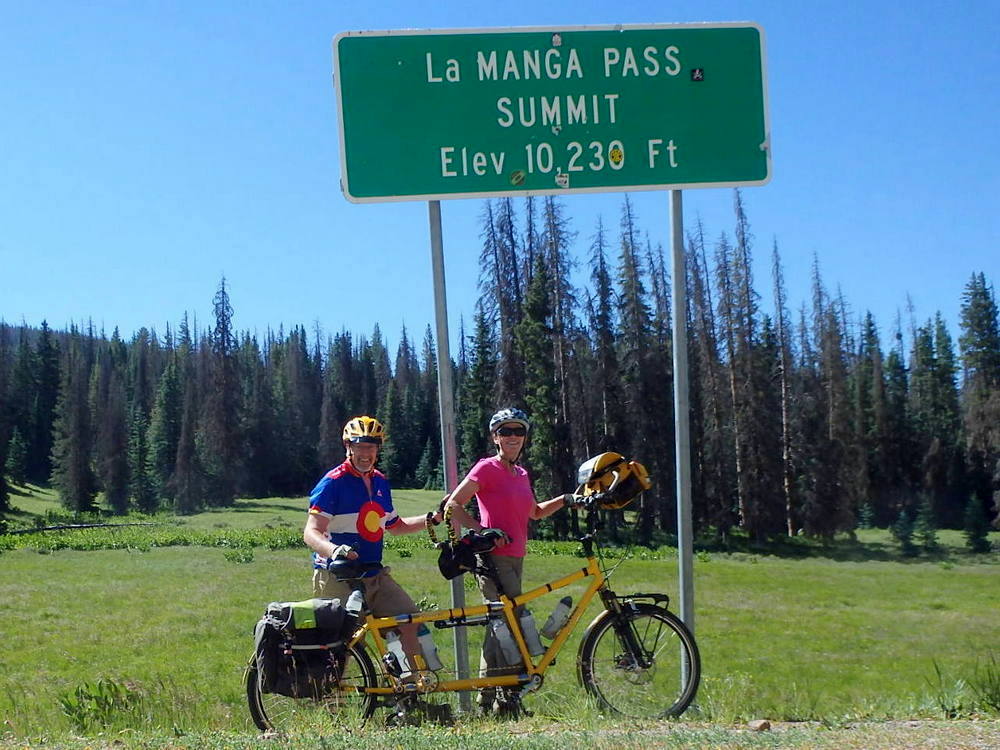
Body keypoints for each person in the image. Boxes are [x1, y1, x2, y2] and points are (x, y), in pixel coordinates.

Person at [442, 407, 575, 716]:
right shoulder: (485, 468)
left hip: (516, 557)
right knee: (514, 622)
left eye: (518, 431)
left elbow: (535, 512)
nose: (512, 437)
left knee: (500, 623)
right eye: (505, 432)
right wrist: (482, 531)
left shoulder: (522, 474)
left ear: (525, 437)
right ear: (495, 437)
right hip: (491, 559)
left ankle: (488, 701)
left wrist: (566, 499)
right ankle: (506, 697)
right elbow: (453, 506)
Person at [303, 415, 442, 677]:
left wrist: (430, 520)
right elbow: (311, 532)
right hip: (338, 577)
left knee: (409, 620)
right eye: (360, 446)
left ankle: (409, 687)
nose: (366, 453)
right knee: (341, 643)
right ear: (348, 447)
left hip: (373, 574)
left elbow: (395, 525)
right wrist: (334, 550)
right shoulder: (333, 483)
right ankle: (330, 703)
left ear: (378, 449)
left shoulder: (379, 482)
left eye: (372, 446)